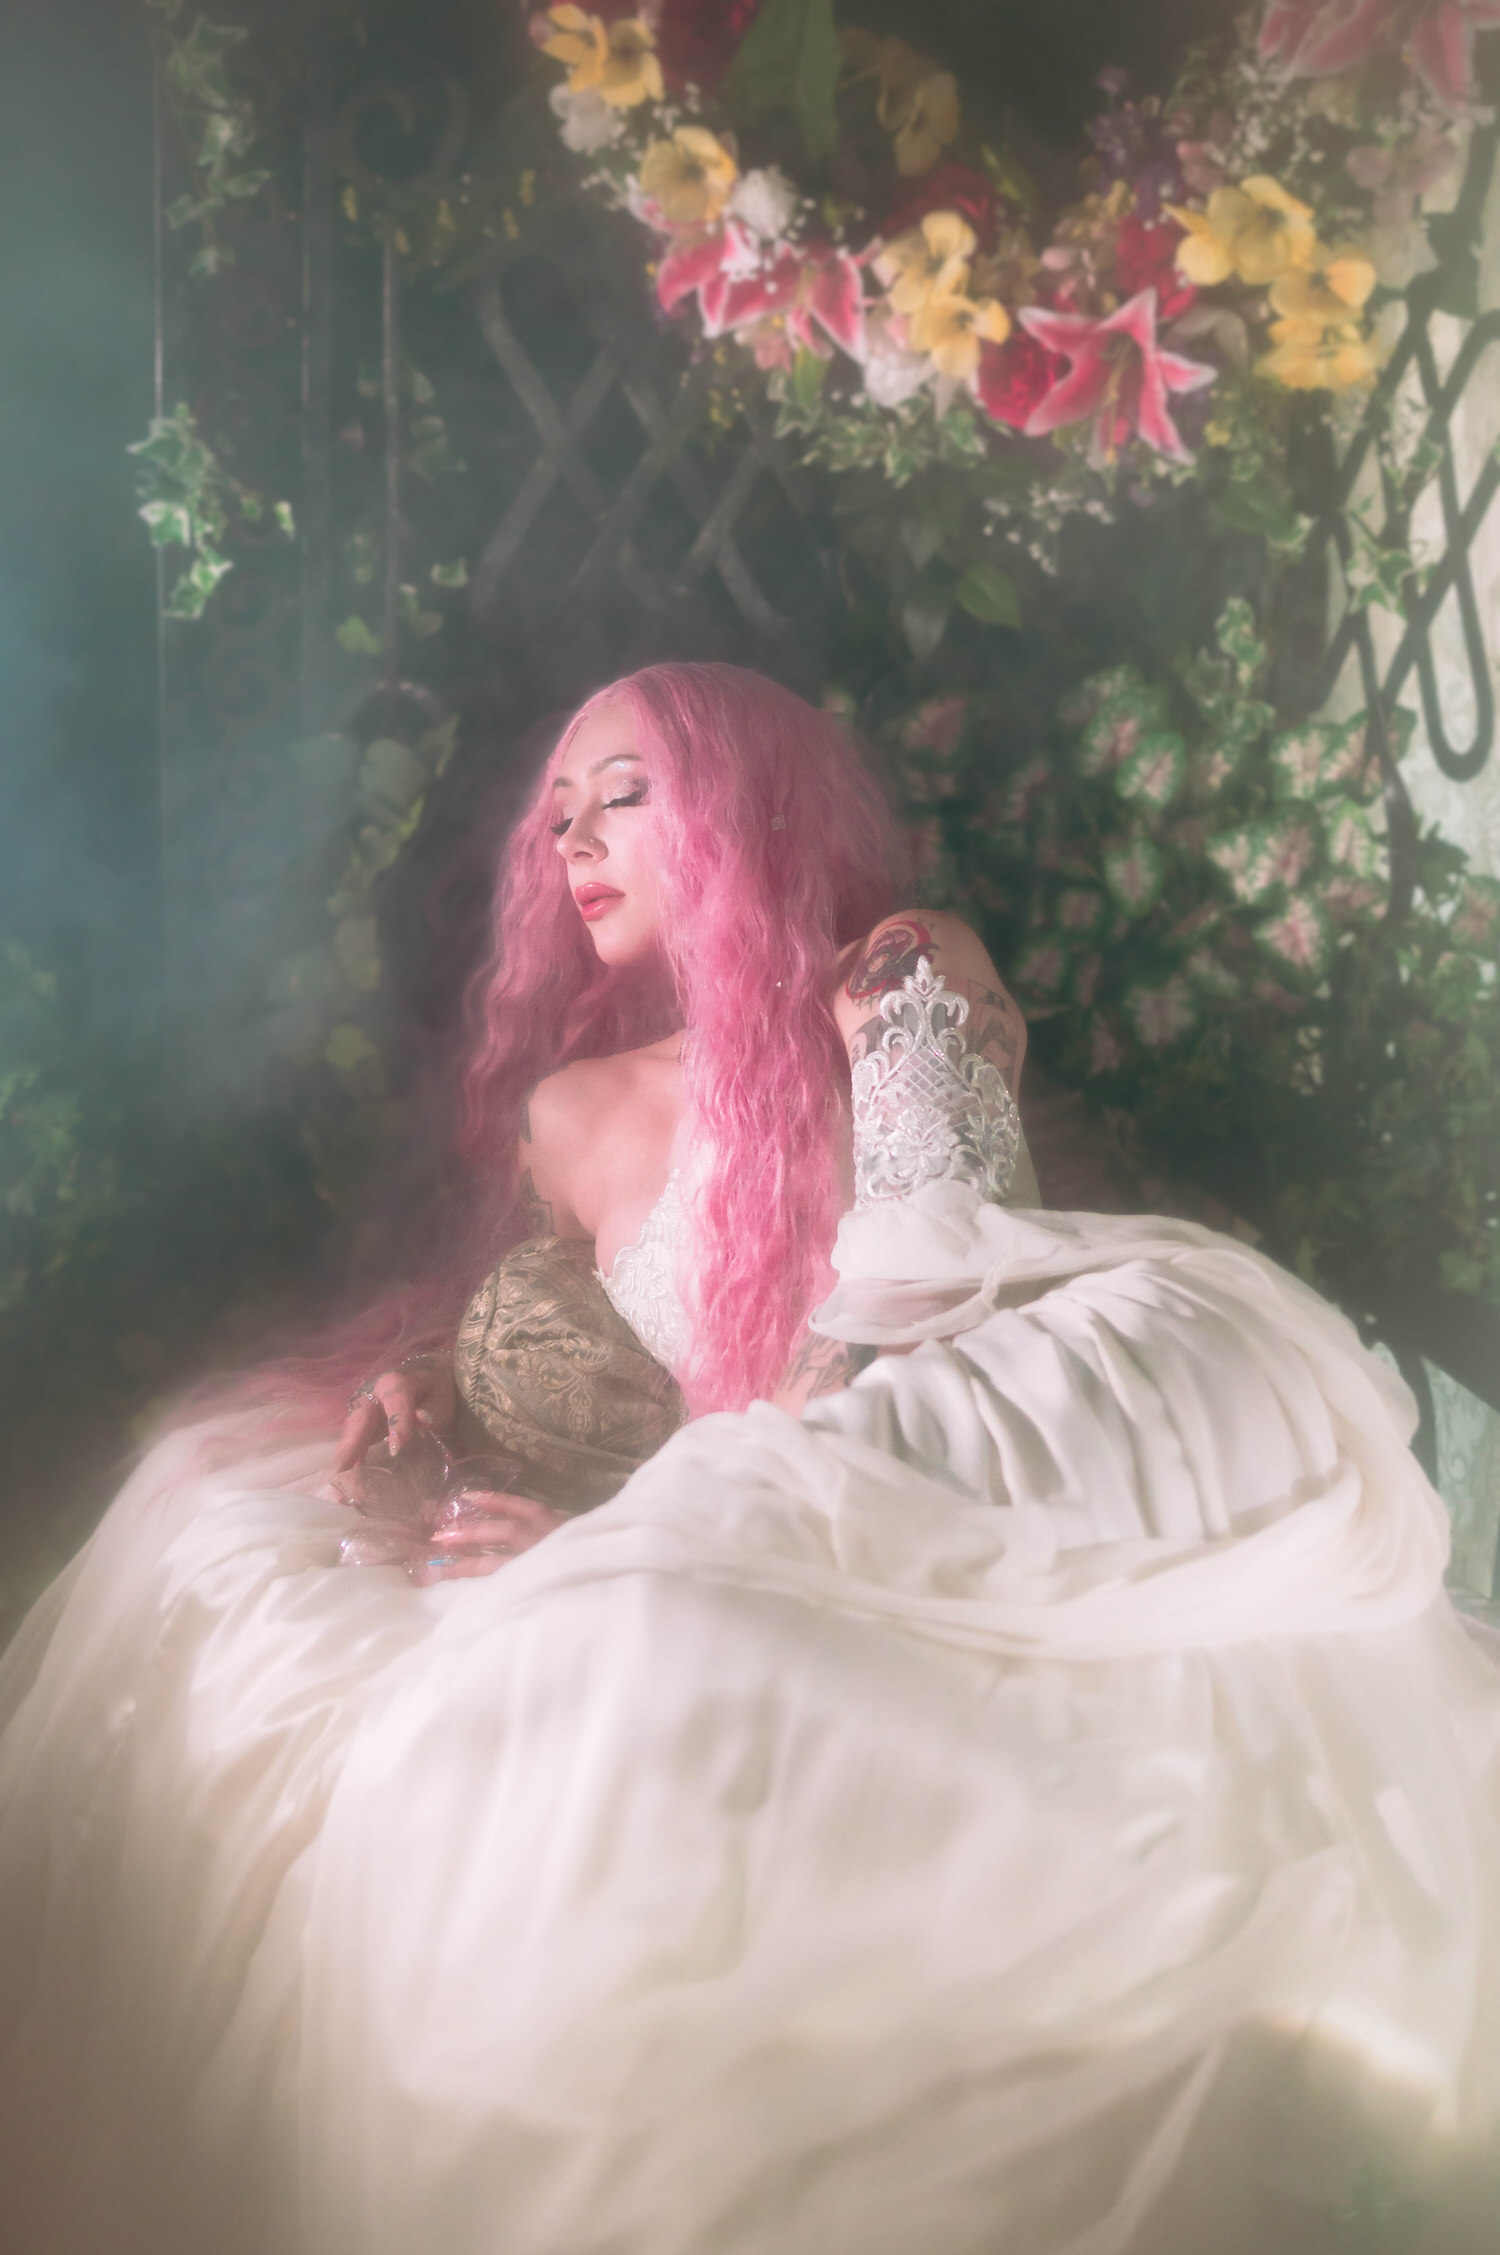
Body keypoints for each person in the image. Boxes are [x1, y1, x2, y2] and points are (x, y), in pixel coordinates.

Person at [1, 661, 1498, 2255]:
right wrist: (421, 1397)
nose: (575, 842)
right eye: (559, 815)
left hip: (909, 1460)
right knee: (213, 1531)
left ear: (741, 809)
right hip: (701, 1497)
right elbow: (548, 1334)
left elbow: (940, 1294)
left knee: (654, 1662)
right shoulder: (568, 1111)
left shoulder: (896, 978)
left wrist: (622, 1535)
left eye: (624, 796)